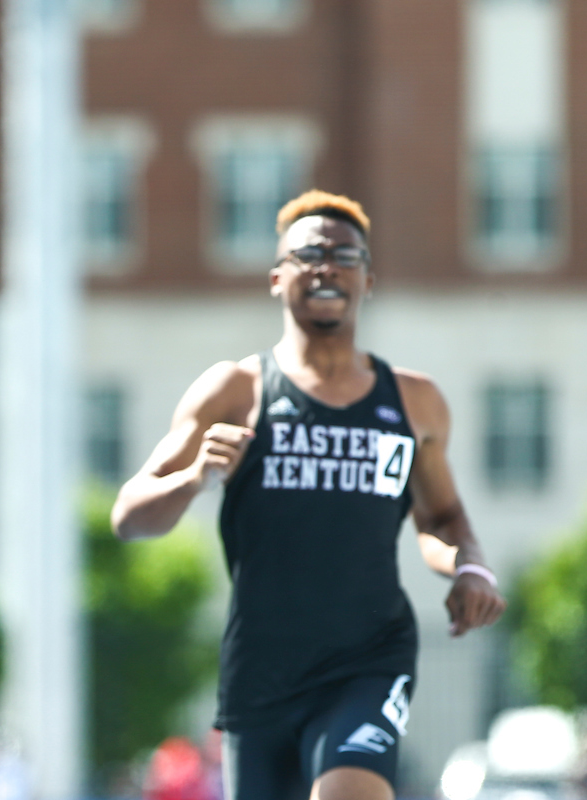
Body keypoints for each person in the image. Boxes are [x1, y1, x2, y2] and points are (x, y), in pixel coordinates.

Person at [111, 190, 505, 800]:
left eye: (344, 255)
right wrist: (197, 479)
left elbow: (443, 517)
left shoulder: (414, 403)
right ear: (276, 277)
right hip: (261, 674)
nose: (326, 265)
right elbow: (128, 517)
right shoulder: (236, 391)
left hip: (370, 660)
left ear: (368, 278)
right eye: (309, 254)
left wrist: (471, 567)